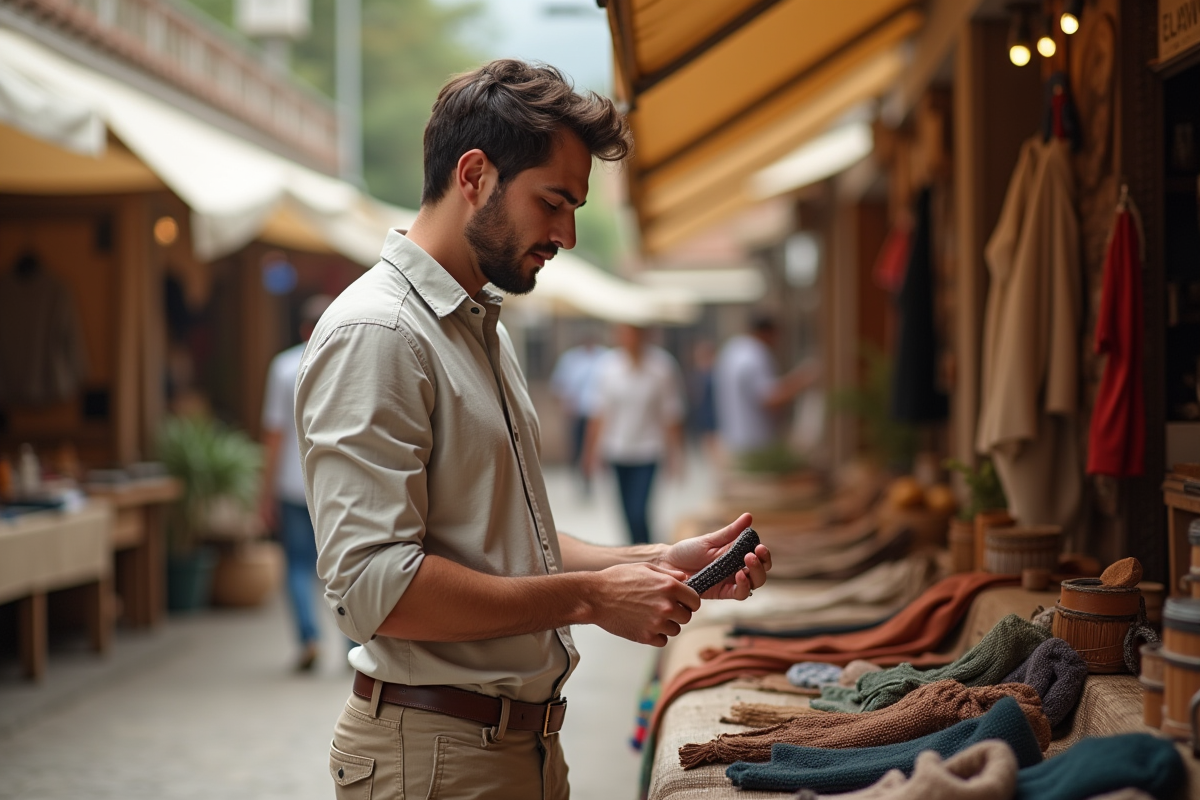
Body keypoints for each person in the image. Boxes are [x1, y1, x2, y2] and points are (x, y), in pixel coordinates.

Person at [295, 60, 771, 799]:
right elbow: (373, 588)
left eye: (576, 207)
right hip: (436, 760)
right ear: (475, 175)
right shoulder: (380, 332)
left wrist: (654, 561)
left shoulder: (479, 325)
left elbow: (513, 538)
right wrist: (589, 598)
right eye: (553, 201)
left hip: (511, 748)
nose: (569, 234)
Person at [258, 293, 333, 672]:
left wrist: (264, 490)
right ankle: (355, 642)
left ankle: (309, 638)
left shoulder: (285, 367)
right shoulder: (346, 362)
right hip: (336, 485)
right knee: (345, 564)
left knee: (299, 565)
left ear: (303, 328)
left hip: (292, 482)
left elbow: (274, 434)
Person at [583, 324, 685, 545]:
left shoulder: (662, 367)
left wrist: (676, 455)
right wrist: (590, 453)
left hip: (648, 450)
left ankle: (647, 553)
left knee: (639, 511)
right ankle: (637, 555)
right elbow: (598, 413)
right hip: (617, 450)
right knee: (626, 513)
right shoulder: (607, 367)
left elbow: (671, 414)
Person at [714, 313, 820, 458]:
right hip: (756, 444)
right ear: (768, 333)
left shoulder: (732, 349)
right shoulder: (756, 354)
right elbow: (769, 399)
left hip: (734, 440)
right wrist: (803, 379)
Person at [549, 332, 607, 494]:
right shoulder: (570, 359)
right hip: (578, 412)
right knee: (577, 446)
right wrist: (566, 405)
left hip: (598, 412)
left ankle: (592, 475)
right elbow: (558, 385)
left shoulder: (605, 357)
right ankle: (582, 477)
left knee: (598, 445)